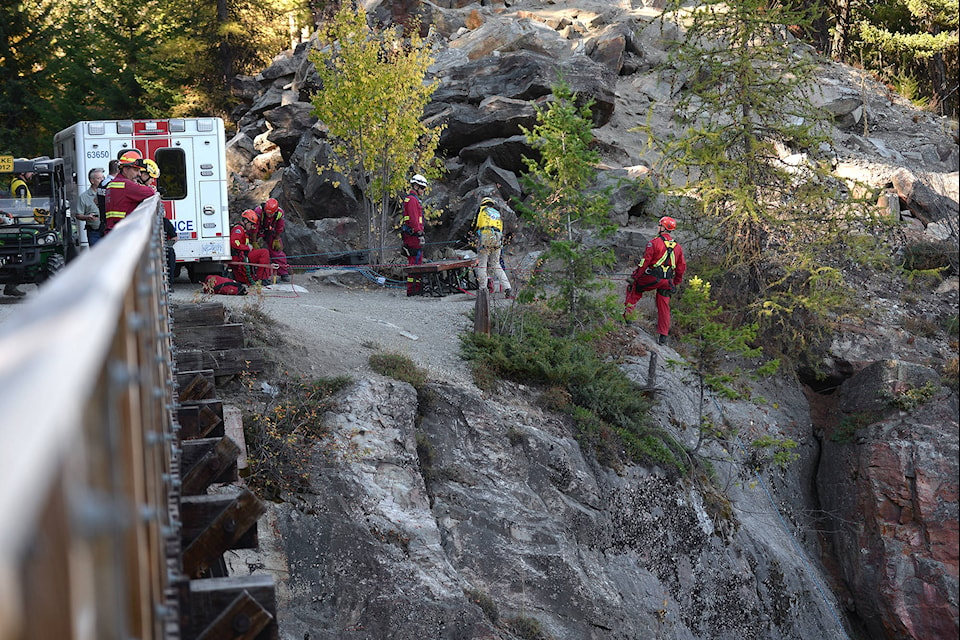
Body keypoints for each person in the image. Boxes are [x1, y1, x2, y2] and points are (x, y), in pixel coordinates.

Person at [623, 216, 687, 345]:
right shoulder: (678, 247)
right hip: (667, 280)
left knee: (634, 289)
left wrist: (635, 276)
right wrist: (675, 282)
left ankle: (628, 319)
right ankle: (663, 336)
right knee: (664, 305)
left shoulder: (654, 243)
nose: (658, 227)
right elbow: (681, 267)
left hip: (652, 277)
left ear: (663, 228)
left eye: (659, 225)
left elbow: (644, 262)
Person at [104, 150, 155, 234]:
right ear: (125, 169)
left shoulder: (112, 183)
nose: (139, 174)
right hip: (123, 232)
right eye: (136, 170)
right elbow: (150, 192)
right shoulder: (126, 185)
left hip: (113, 232)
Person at [473, 196, 512, 298]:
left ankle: (483, 289)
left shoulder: (481, 210)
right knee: (495, 263)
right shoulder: (496, 213)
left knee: (482, 264)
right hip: (497, 237)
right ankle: (507, 287)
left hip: (486, 237)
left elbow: (475, 225)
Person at [400, 174, 428, 296]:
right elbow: (414, 219)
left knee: (417, 261)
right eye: (421, 187)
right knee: (415, 262)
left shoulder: (413, 199)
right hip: (413, 236)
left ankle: (416, 287)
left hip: (413, 235)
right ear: (416, 186)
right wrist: (419, 233)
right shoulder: (412, 200)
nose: (423, 190)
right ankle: (413, 289)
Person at [230, 209, 273, 285]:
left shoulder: (242, 230)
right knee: (264, 252)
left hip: (241, 256)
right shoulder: (238, 229)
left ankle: (261, 277)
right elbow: (234, 243)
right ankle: (262, 278)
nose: (252, 226)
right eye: (251, 224)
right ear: (246, 221)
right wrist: (247, 248)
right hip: (239, 257)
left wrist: (251, 249)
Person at [252, 197, 290, 282]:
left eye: (271, 214)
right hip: (258, 230)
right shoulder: (258, 212)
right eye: (268, 213)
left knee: (277, 250)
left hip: (270, 230)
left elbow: (279, 227)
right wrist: (254, 241)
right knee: (254, 251)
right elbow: (254, 228)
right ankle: (256, 272)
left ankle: (283, 272)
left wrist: (277, 239)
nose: (269, 215)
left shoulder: (280, 213)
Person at [78, 167, 105, 246]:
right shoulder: (84, 197)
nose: (102, 180)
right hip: (94, 232)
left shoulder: (108, 192)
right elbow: (78, 215)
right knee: (96, 255)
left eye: (103, 177)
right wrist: (87, 217)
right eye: (99, 178)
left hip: (107, 230)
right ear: (92, 181)